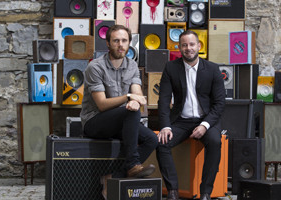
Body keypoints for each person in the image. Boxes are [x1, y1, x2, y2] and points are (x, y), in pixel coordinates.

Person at [80, 25, 158, 198]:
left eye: (124, 41)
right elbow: (101, 104)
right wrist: (129, 98)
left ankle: (113, 176)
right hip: (95, 121)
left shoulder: (132, 66)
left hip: (121, 119)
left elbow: (137, 92)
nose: (120, 45)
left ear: (130, 43)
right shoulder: (95, 67)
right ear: (108, 43)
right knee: (129, 111)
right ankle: (132, 164)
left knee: (152, 139)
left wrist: (136, 100)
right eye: (116, 41)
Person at [156, 30, 226, 200]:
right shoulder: (171, 68)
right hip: (180, 121)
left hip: (206, 120)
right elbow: (163, 101)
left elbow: (220, 103)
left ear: (199, 46)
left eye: (192, 44)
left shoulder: (212, 69)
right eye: (184, 45)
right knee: (161, 144)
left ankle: (205, 193)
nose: (188, 48)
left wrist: (205, 125)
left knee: (215, 142)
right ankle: (173, 191)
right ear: (179, 48)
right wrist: (165, 126)